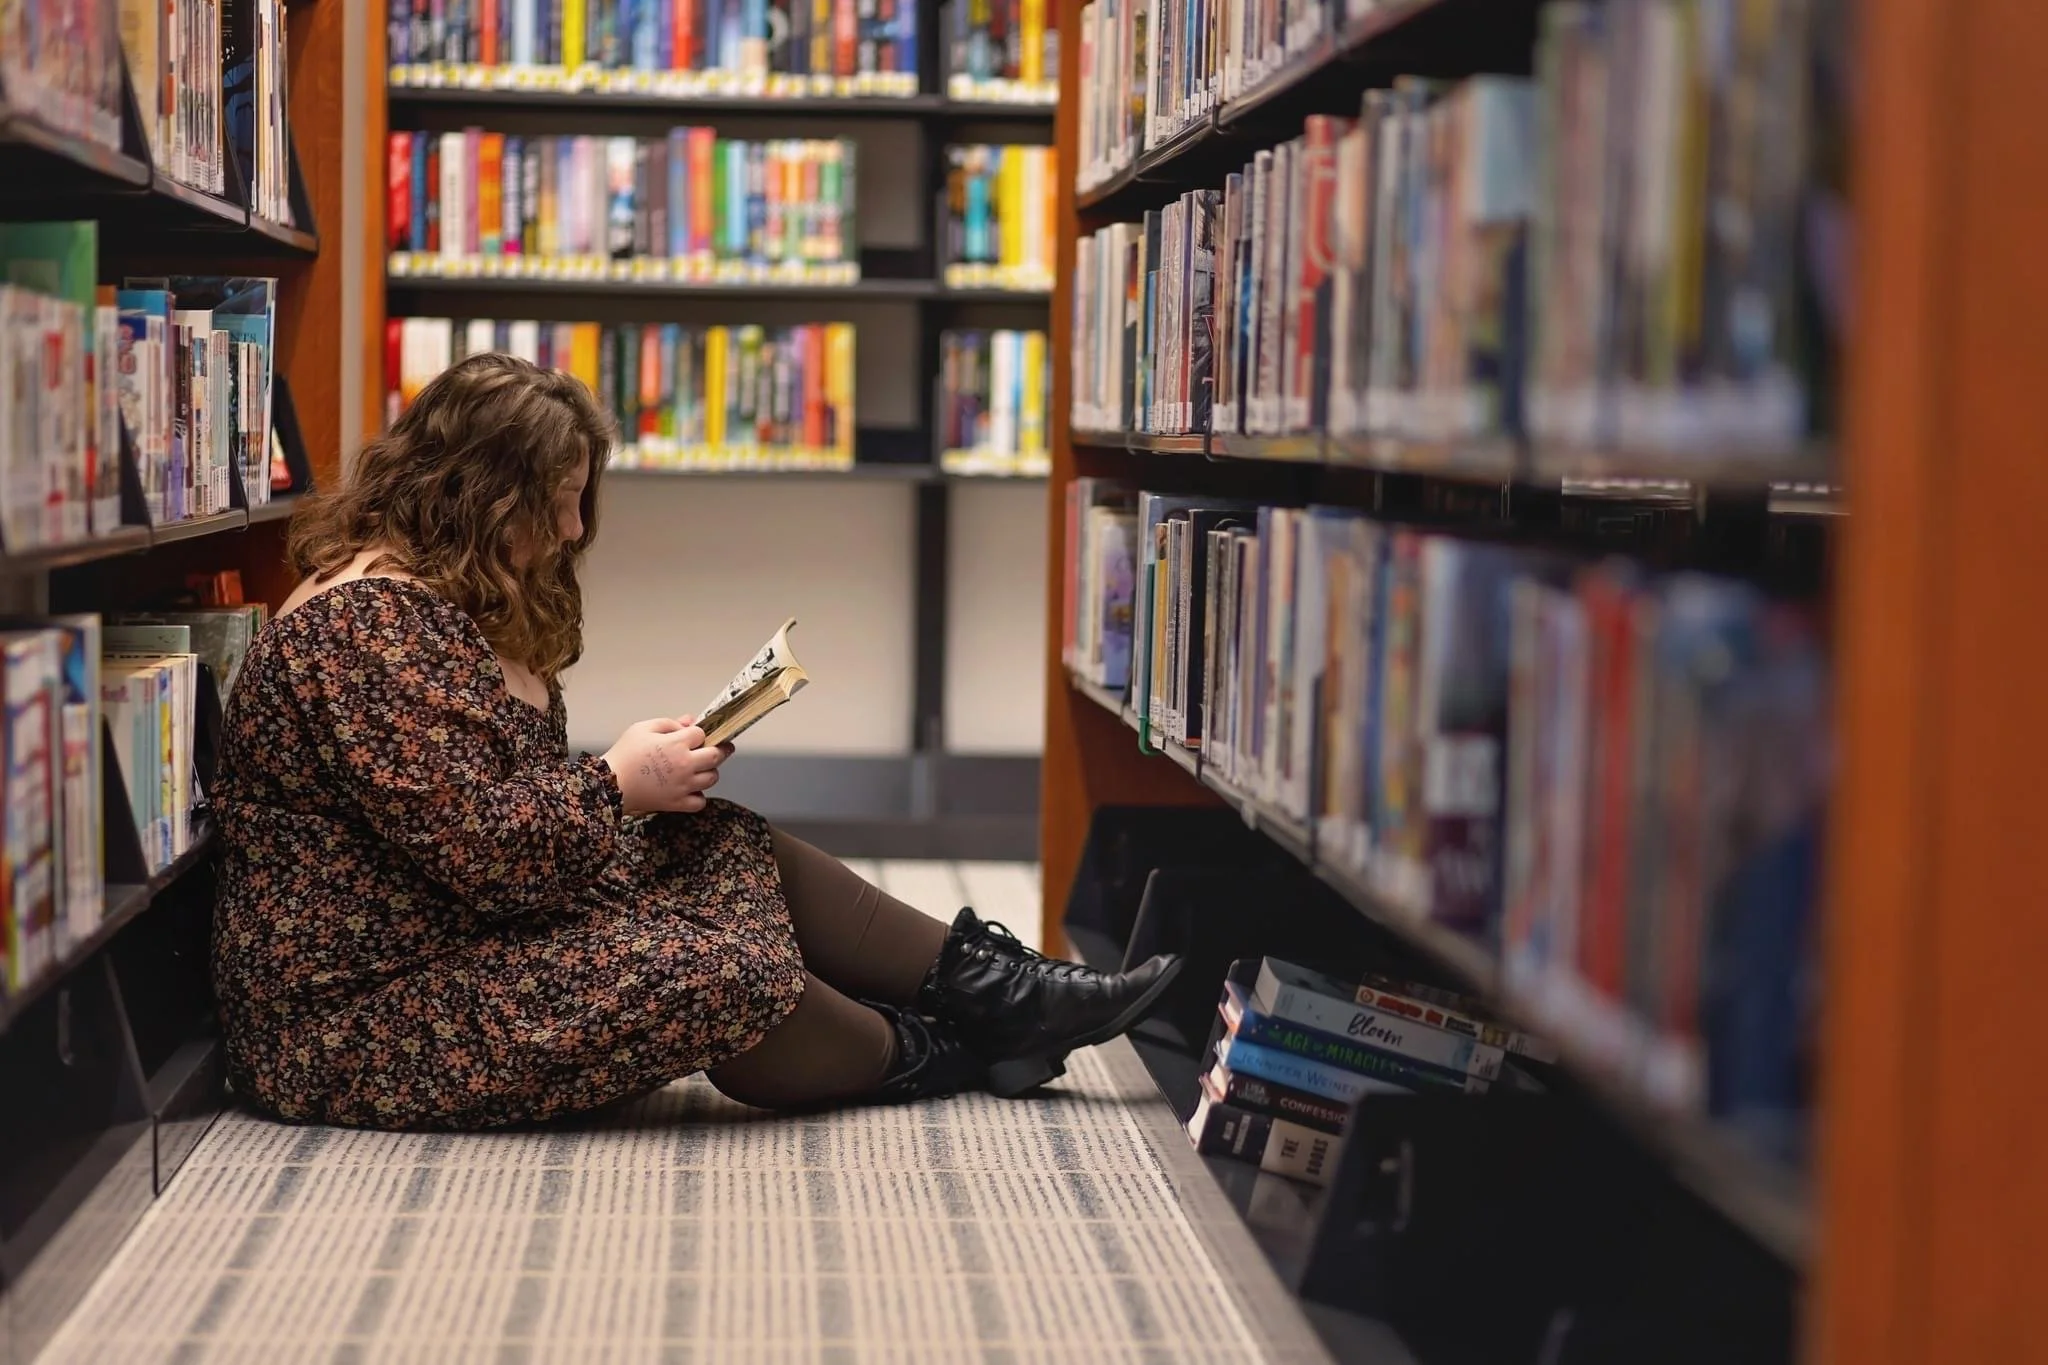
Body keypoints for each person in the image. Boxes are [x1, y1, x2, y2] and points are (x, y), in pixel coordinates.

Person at [211, 352, 1180, 1131]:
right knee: (719, 973)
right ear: (479, 495)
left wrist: (638, 785)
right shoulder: (362, 632)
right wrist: (616, 784)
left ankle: (1001, 991)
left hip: (449, 936)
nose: (571, 528)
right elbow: (487, 857)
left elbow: (479, 827)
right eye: (555, 502)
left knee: (717, 840)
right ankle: (942, 1049)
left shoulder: (423, 600)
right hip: (362, 1019)